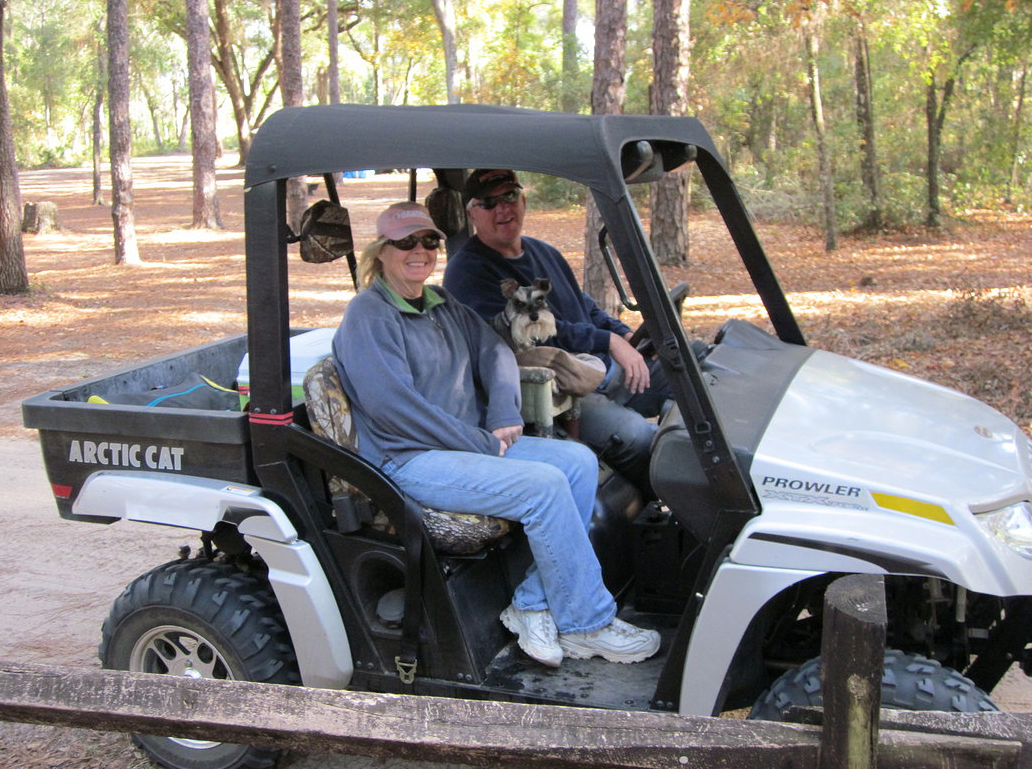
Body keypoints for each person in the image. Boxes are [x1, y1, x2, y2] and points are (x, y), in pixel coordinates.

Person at [332, 201, 660, 668]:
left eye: (428, 240)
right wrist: (480, 442)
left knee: (578, 462)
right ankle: (587, 623)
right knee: (544, 485)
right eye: (405, 242)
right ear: (382, 251)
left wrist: (503, 409)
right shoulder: (370, 315)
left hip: (465, 445)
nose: (419, 250)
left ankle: (532, 604)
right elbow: (394, 408)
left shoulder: (442, 304)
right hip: (408, 459)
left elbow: (496, 352)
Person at [443, 169, 672, 493]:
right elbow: (527, 332)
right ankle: (654, 514)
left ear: (523, 201)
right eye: (488, 203)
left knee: (690, 381)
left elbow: (584, 306)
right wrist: (606, 341)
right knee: (639, 439)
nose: (502, 209)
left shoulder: (543, 252)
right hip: (559, 391)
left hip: (601, 367)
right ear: (472, 214)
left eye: (509, 196)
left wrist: (622, 335)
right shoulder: (468, 272)